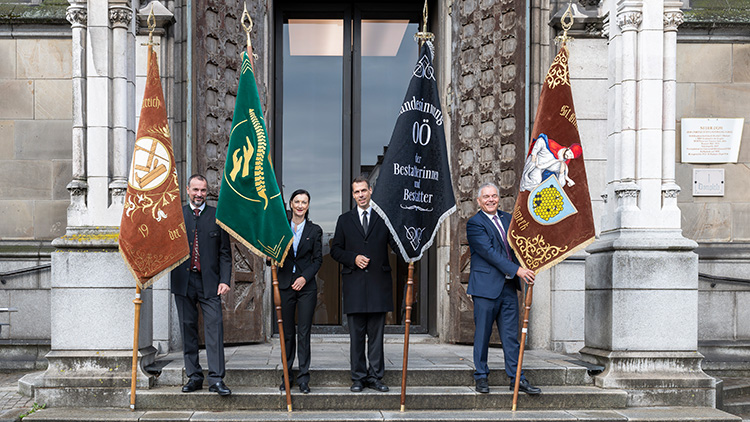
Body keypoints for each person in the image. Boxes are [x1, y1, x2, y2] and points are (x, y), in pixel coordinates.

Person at [466, 182, 541, 395]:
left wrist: (532, 259)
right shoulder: (474, 224)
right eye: (486, 197)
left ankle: (517, 378)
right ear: (479, 201)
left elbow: (521, 246)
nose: (491, 200)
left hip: (508, 288)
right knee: (482, 334)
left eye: (494, 196)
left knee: (511, 337)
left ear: (499, 198)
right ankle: (481, 376)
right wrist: (519, 270)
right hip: (485, 289)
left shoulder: (510, 219)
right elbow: (489, 253)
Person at [331, 176, 394, 393]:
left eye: (363, 191)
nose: (360, 195)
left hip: (378, 284)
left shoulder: (384, 218)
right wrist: (353, 258)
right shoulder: (344, 220)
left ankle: (376, 377)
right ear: (353, 195)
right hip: (355, 285)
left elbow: (397, 244)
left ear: (370, 191)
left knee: (376, 337)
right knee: (356, 336)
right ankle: (358, 377)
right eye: (356, 192)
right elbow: (335, 250)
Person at [171, 174, 232, 396]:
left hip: (210, 283)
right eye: (195, 190)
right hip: (183, 282)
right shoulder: (177, 215)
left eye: (203, 190)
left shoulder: (218, 216)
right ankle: (194, 376)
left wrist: (225, 280)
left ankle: (216, 380)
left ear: (207, 192)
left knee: (214, 329)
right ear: (187, 190)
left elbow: (225, 253)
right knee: (188, 330)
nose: (199, 194)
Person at [277, 189, 322, 394]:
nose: (300, 206)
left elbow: (318, 260)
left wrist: (305, 277)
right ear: (291, 204)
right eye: (297, 202)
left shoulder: (315, 230)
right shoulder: (280, 227)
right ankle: (287, 377)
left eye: (304, 202)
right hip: (285, 285)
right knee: (287, 334)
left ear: (308, 205)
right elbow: (272, 254)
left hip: (306, 288)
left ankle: (303, 378)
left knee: (303, 333)